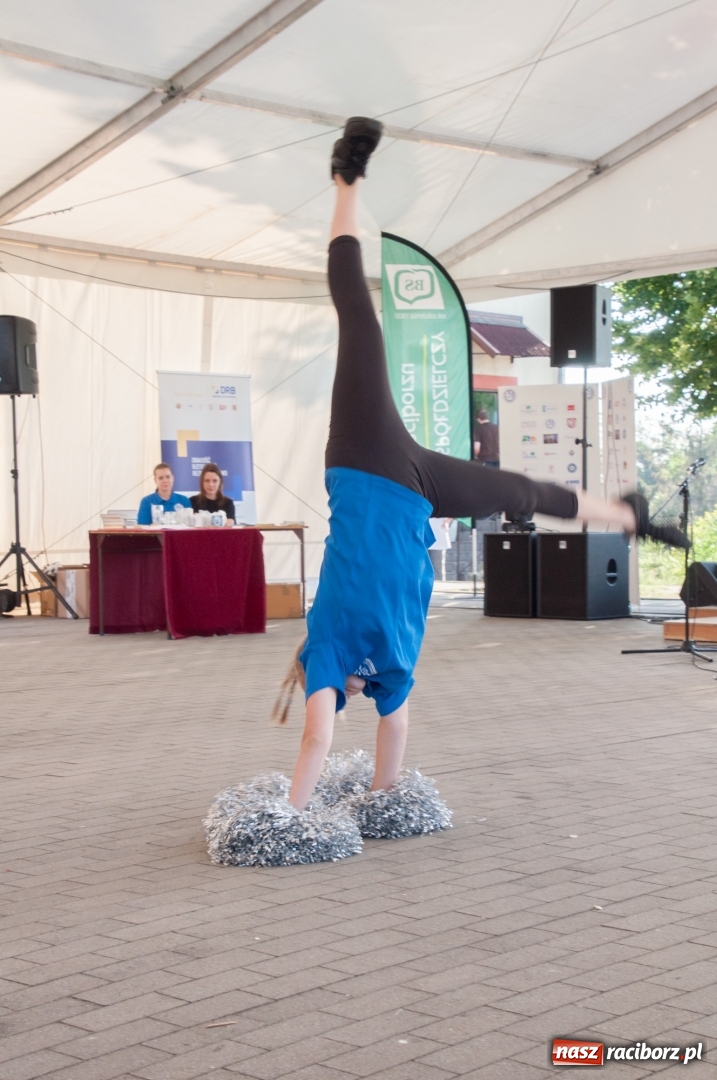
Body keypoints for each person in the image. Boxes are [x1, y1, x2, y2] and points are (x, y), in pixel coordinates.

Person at [205, 118, 689, 867]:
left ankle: (345, 181)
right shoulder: (392, 664)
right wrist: (381, 797)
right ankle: (624, 516)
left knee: (359, 319)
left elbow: (315, 738)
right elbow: (394, 729)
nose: (353, 698)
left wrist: (291, 816)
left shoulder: (326, 650)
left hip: (364, 459)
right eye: (355, 697)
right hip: (419, 487)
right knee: (517, 490)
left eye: (342, 695)